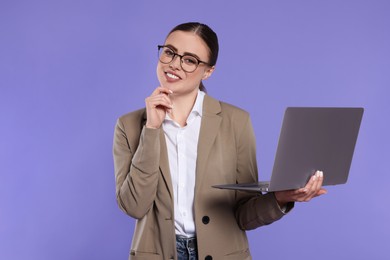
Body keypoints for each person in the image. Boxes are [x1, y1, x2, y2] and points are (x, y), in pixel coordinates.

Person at [113, 22, 327, 260]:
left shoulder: (236, 121)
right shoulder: (129, 125)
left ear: (208, 71)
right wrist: (151, 129)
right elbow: (134, 206)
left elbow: (244, 214)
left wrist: (281, 198)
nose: (174, 64)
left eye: (190, 59)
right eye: (169, 52)